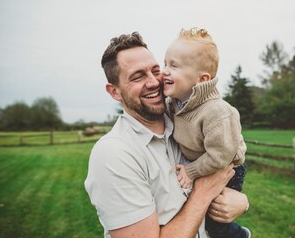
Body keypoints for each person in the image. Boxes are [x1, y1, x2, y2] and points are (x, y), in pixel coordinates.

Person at [84, 31, 249, 238]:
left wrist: (241, 203)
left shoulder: (181, 121)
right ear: (114, 91)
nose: (154, 82)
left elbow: (225, 157)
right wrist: (204, 193)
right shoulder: (113, 153)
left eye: (156, 70)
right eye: (138, 76)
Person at [162, 28, 250, 238]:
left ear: (201, 79)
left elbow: (220, 157)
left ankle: (240, 235)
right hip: (204, 161)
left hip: (227, 167)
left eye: (173, 66)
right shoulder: (177, 103)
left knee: (215, 222)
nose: (164, 70)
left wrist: (191, 171)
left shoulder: (217, 112)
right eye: (165, 63)